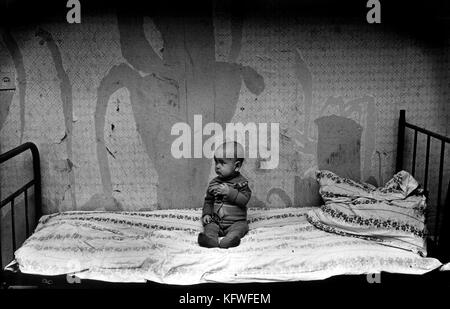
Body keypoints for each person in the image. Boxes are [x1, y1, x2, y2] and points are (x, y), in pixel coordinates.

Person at [198, 141, 252, 249]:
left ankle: (230, 239)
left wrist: (230, 192)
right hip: (217, 221)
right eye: (216, 162)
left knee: (241, 227)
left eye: (222, 163)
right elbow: (208, 201)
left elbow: (244, 200)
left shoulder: (241, 183)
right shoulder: (214, 183)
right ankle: (210, 239)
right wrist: (206, 214)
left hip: (236, 222)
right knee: (210, 226)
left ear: (236, 166)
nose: (217, 166)